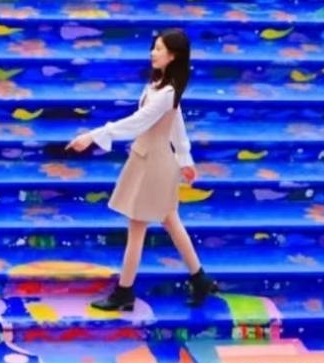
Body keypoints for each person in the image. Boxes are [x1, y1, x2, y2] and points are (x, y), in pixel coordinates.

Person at [65, 28, 219, 311]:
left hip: (153, 164)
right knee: (170, 221)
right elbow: (175, 122)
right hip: (149, 159)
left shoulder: (166, 92)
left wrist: (93, 135)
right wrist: (185, 159)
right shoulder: (160, 86)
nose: (152, 53)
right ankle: (200, 279)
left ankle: (124, 291)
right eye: (154, 47)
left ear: (173, 56)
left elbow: (139, 122)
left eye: (159, 49)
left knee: (138, 229)